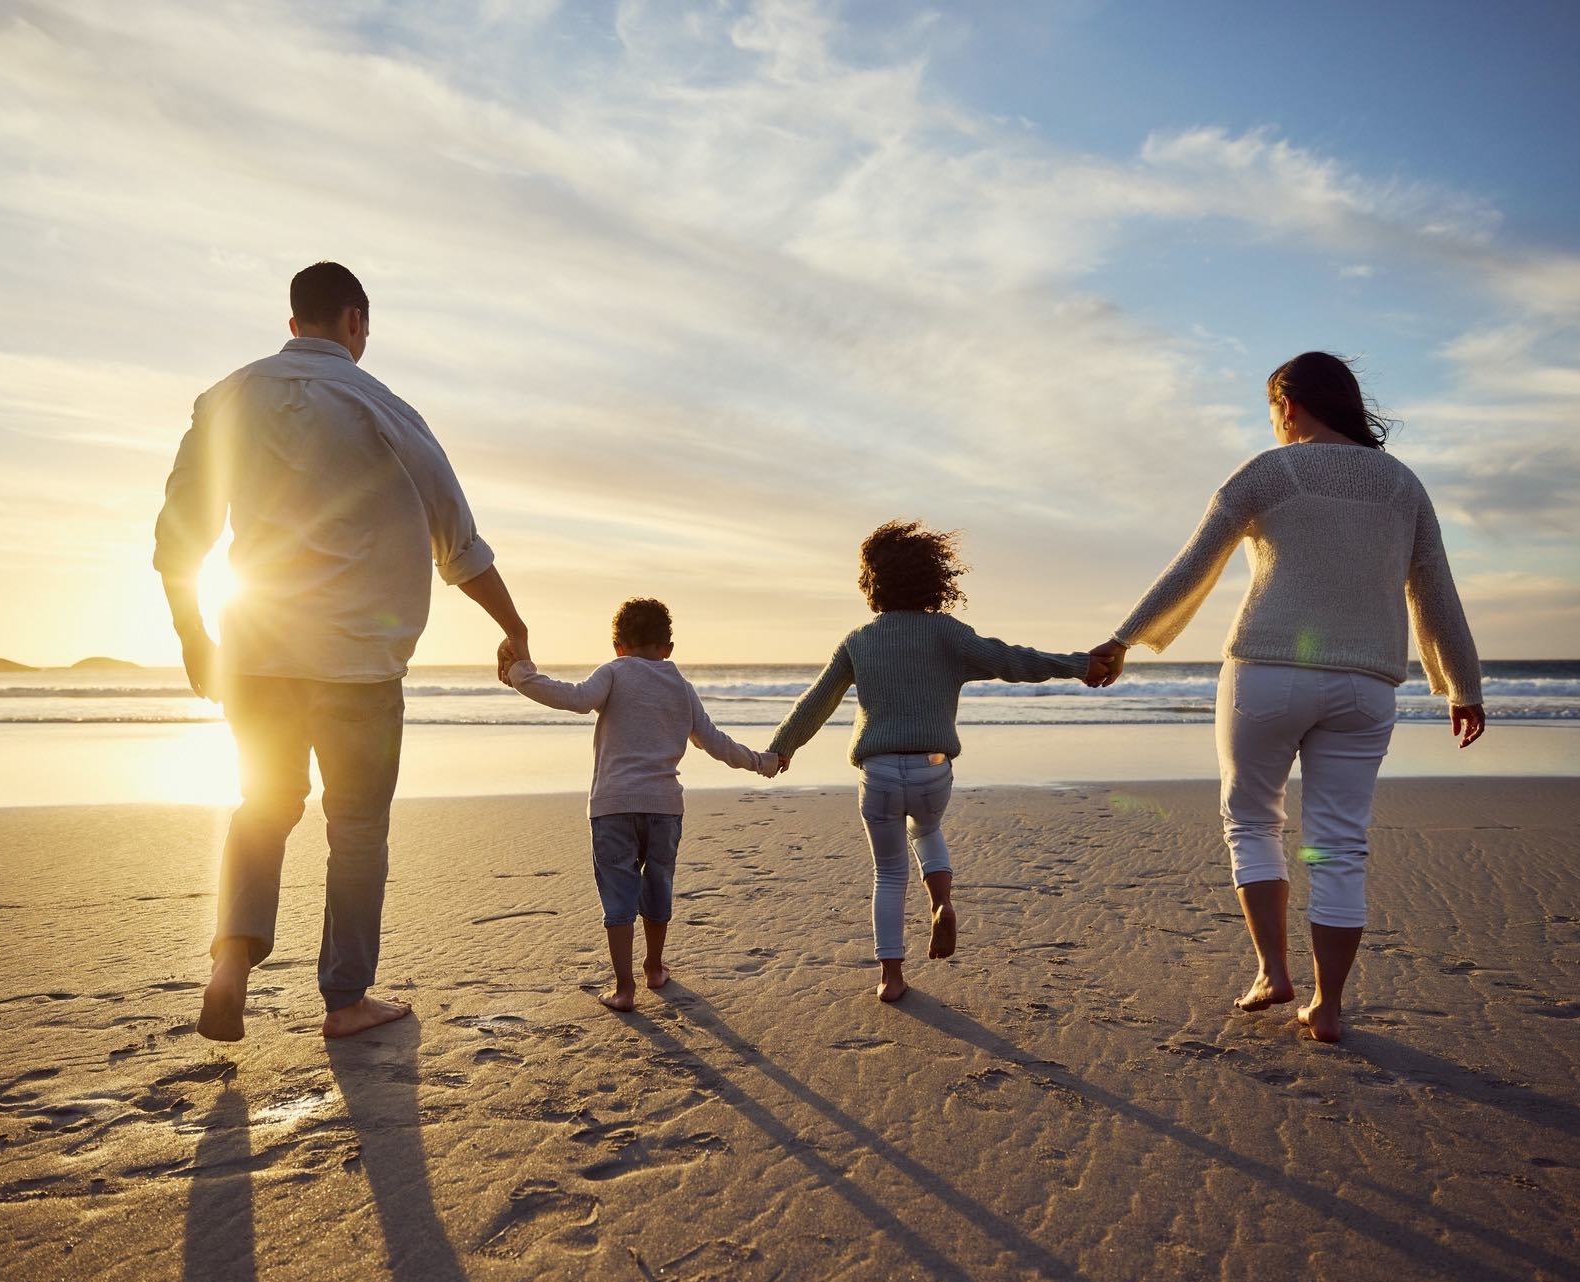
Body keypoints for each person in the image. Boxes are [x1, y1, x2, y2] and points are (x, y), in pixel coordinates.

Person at [155, 261, 530, 1043]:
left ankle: (230, 964)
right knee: (356, 827)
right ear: (355, 322)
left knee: (265, 803)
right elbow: (455, 537)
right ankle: (345, 1001)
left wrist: (196, 636)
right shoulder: (381, 403)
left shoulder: (225, 398)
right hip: (358, 663)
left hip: (255, 653)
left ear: (294, 325)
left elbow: (180, 539)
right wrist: (513, 626)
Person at [1086, 352, 1485, 1043]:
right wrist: (1461, 686)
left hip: (1266, 672)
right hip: (1366, 684)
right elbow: (1433, 590)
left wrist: (1125, 638)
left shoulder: (1271, 472)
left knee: (1252, 821)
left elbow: (1193, 564)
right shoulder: (1403, 486)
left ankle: (1273, 972)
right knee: (1338, 843)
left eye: (1273, 409)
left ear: (1289, 405)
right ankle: (1328, 1009)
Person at [770, 522, 1090, 1003]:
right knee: (927, 828)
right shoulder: (948, 634)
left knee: (888, 873)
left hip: (877, 772)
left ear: (871, 582)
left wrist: (782, 747)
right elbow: (1014, 661)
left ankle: (891, 977)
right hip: (933, 768)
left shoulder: (859, 640)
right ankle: (941, 902)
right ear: (933, 578)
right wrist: (1081, 665)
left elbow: (817, 701)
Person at [502, 598, 780, 1012]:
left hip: (613, 804)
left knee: (618, 894)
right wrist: (763, 761)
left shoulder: (614, 671)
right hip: (665, 806)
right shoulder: (682, 688)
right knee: (657, 885)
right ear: (667, 648)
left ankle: (623, 987)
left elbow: (574, 698)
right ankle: (653, 967)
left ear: (617, 645)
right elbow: (714, 742)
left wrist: (521, 674)